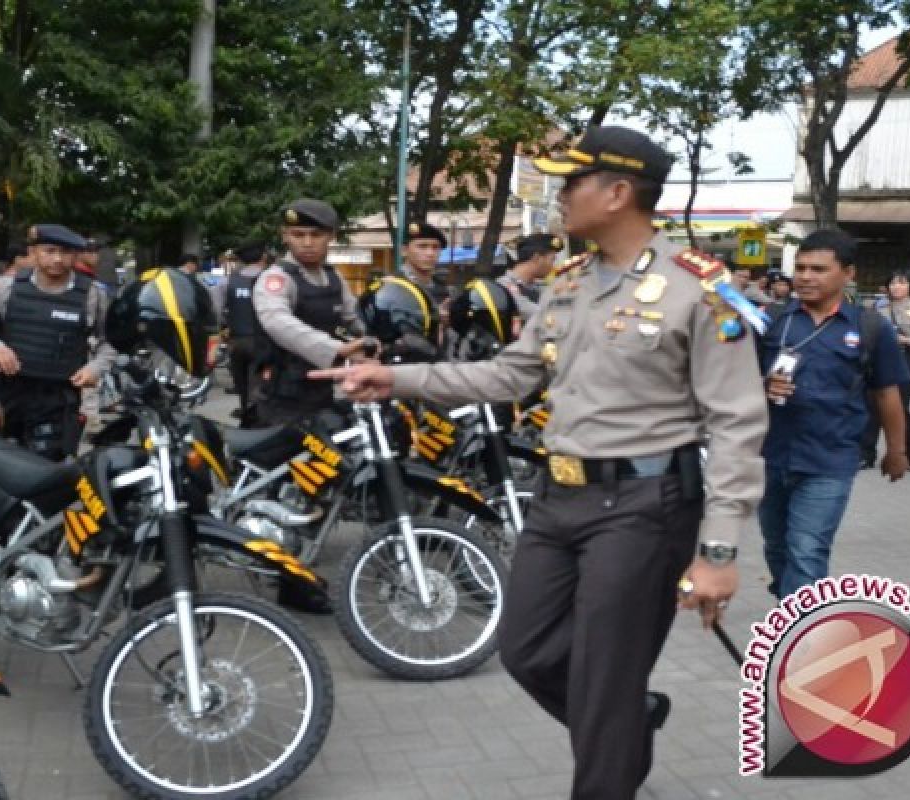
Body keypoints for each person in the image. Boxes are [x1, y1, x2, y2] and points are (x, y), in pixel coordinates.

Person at [312, 126, 768, 799]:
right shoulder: (569, 280)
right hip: (557, 500)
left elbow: (737, 421)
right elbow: (509, 375)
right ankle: (621, 721)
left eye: (570, 183)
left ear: (616, 193)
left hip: (644, 508)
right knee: (526, 650)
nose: (558, 197)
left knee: (604, 677)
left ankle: (611, 739)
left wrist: (719, 551)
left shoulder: (698, 288)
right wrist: (398, 380)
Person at [759, 229, 910, 599]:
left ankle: (800, 641)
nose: (806, 277)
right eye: (801, 268)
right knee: (777, 547)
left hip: (830, 459)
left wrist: (896, 451)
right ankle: (790, 610)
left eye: (819, 269)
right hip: (768, 456)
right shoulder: (773, 320)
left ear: (848, 274)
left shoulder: (869, 327)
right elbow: (734, 381)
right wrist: (761, 385)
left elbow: (888, 392)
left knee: (806, 551)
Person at [0, 223, 115, 461]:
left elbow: (111, 341)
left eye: (65, 253)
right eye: (49, 251)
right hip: (6, 393)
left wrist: (96, 368)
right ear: (33, 253)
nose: (58, 259)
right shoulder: (5, 287)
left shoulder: (92, 295)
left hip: (58, 398)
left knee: (48, 469)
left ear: (75, 256)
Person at [249, 198, 373, 426]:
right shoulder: (276, 278)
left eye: (316, 235)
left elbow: (353, 319)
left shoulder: (334, 278)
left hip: (323, 388)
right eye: (298, 234)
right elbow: (278, 322)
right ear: (285, 235)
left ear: (331, 236)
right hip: (283, 395)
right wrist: (336, 349)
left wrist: (374, 342)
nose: (307, 243)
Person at [859, 271, 910, 469]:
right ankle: (866, 454)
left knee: (900, 407)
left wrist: (908, 340)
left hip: (905, 359)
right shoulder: (877, 307)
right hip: (877, 359)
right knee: (871, 406)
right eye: (893, 283)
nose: (896, 287)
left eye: (902, 283)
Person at [222, 240, 269, 424]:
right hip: (263, 343)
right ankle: (255, 423)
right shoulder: (271, 281)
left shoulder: (228, 281)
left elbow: (215, 309)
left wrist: (223, 329)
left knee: (241, 384)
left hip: (237, 342)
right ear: (262, 256)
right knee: (257, 386)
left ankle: (245, 415)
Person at [498, 232, 562, 323]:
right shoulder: (503, 287)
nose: (553, 265)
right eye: (552, 259)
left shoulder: (539, 287)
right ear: (537, 258)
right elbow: (536, 313)